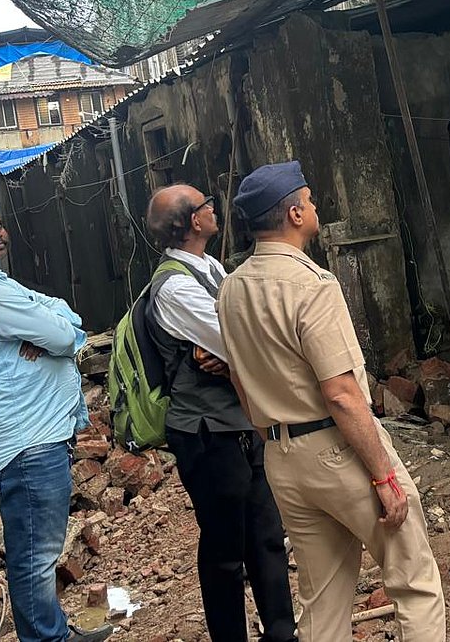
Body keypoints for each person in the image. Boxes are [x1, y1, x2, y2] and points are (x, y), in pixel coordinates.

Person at [217, 161, 445, 642]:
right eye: (311, 199)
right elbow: (341, 394)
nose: (316, 206)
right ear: (296, 214)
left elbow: (239, 379)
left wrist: (276, 438)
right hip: (335, 450)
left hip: (281, 458)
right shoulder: (312, 285)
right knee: (415, 581)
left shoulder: (231, 289)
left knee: (322, 601)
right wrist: (383, 475)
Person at [0, 200, 112, 642]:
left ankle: (52, 633)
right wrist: (55, 333)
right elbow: (60, 334)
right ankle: (47, 639)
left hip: (29, 439)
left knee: (37, 550)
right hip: (25, 445)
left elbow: (66, 321)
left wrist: (56, 329)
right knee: (34, 556)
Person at [144, 185, 296, 642]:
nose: (215, 209)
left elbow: (238, 336)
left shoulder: (210, 267)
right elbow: (245, 342)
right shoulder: (173, 287)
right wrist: (234, 350)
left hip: (243, 425)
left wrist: (231, 350)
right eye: (207, 203)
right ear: (193, 221)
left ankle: (282, 634)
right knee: (225, 548)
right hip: (206, 434)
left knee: (266, 537)